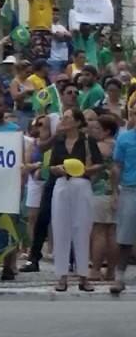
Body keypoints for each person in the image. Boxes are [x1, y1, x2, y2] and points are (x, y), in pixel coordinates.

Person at [49, 107, 103, 292]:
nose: (63, 121)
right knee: (60, 228)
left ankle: (83, 276)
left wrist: (85, 170)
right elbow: (52, 165)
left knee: (82, 228)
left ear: (78, 122)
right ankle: (61, 276)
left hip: (81, 183)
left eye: (67, 118)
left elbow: (98, 163)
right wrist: (56, 169)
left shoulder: (87, 141)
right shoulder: (59, 141)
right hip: (62, 183)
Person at [90, 115, 118, 282]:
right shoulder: (118, 146)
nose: (95, 131)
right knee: (112, 232)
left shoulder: (99, 147)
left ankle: (95, 269)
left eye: (98, 129)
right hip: (116, 192)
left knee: (99, 231)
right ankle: (111, 272)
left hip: (100, 191)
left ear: (107, 131)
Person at [111, 105, 136, 293]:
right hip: (130, 189)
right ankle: (119, 277)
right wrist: (114, 192)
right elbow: (117, 166)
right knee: (125, 236)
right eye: (133, 113)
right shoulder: (124, 138)